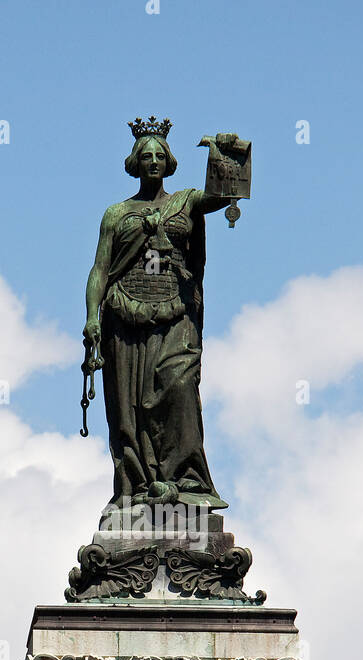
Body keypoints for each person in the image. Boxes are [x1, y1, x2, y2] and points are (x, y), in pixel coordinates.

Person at [83, 119, 238, 520]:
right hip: (124, 317)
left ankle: (186, 479)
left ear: (169, 163)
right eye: (145, 156)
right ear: (135, 163)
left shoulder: (185, 201)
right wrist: (91, 319)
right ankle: (136, 486)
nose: (152, 161)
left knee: (179, 384)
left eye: (159, 155)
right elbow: (100, 269)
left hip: (175, 315)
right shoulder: (116, 214)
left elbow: (223, 194)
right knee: (130, 407)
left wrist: (221, 152)